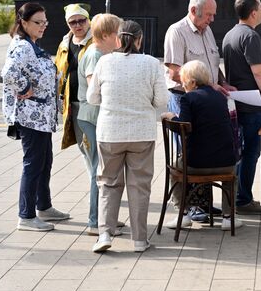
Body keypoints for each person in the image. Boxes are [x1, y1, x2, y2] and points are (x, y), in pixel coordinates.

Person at [88, 20, 168, 253]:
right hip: (141, 133)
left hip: (110, 132)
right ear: (139, 39)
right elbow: (161, 101)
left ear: (118, 39)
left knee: (108, 183)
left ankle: (104, 233)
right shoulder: (152, 63)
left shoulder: (104, 62)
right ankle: (140, 240)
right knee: (139, 186)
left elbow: (93, 98)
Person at [163, 0, 236, 224]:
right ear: (194, 11)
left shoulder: (207, 30)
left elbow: (213, 64)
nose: (212, 20)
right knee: (189, 149)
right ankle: (193, 206)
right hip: (186, 97)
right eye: (209, 15)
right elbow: (174, 72)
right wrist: (209, 85)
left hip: (211, 95)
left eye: (213, 15)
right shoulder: (177, 32)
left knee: (207, 148)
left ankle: (202, 205)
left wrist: (222, 82)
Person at [2, 2, 70, 232]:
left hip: (40, 116)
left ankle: (44, 206)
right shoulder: (22, 47)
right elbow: (8, 74)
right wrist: (23, 87)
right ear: (23, 22)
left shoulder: (32, 45)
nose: (43, 27)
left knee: (44, 161)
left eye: (45, 22)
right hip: (30, 116)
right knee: (33, 164)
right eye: (37, 23)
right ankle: (26, 215)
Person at [165, 60, 243, 230]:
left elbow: (184, 127)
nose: (183, 85)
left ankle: (183, 213)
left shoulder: (188, 98)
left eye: (184, 81)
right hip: (226, 163)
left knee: (173, 169)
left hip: (196, 163)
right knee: (232, 175)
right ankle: (228, 217)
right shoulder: (220, 97)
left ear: (193, 82)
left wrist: (171, 117)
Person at [222, 0, 261, 214]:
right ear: (254, 13)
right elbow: (258, 72)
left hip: (237, 103)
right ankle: (243, 199)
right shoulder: (250, 36)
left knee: (240, 151)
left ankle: (238, 197)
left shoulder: (230, 35)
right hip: (253, 105)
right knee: (251, 153)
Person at [77, 13, 123, 236]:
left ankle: (107, 217)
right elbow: (94, 89)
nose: (120, 37)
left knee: (104, 170)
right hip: (92, 120)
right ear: (106, 35)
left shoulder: (102, 52)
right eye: (117, 33)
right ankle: (96, 222)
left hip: (96, 119)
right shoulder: (95, 54)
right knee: (99, 171)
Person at [55, 3, 94, 153]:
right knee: (83, 147)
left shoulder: (94, 42)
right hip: (72, 103)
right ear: (67, 24)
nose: (78, 25)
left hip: (91, 104)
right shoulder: (64, 44)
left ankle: (96, 176)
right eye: (73, 22)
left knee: (93, 147)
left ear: (88, 20)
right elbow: (59, 71)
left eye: (82, 20)